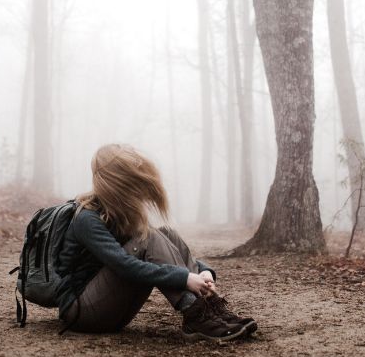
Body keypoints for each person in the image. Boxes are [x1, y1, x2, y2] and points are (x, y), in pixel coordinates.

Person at [55, 144, 256, 341]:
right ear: (115, 182)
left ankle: (210, 309)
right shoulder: (87, 218)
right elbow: (124, 265)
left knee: (166, 233)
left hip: (108, 310)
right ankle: (195, 315)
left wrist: (204, 272)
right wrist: (184, 278)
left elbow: (163, 252)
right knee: (148, 237)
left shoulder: (118, 213)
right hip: (81, 313)